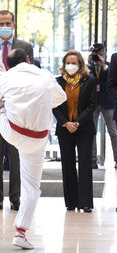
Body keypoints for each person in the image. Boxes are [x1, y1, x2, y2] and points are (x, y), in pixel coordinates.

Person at [0, 12, 67, 249]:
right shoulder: (45, 75)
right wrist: (41, 101)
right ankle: (21, 232)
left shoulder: (5, 77)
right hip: (39, 138)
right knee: (33, 188)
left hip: (11, 130)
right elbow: (60, 98)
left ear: (9, 65)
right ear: (29, 61)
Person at [0, 9, 34, 211]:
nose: (4, 27)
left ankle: (15, 198)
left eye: (7, 23)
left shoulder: (25, 47)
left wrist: (11, 96)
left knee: (16, 156)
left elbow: (29, 73)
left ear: (14, 25)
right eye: (0, 24)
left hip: (17, 110)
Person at [53, 50, 97, 213]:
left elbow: (92, 105)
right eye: (68, 62)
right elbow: (55, 105)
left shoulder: (89, 81)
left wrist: (77, 123)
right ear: (64, 65)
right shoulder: (57, 82)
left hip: (84, 127)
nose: (70, 65)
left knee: (85, 164)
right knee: (68, 164)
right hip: (65, 128)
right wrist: (66, 123)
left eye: (74, 62)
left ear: (80, 64)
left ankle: (85, 202)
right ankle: (71, 202)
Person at [88, 43, 117, 169]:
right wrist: (88, 63)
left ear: (103, 53)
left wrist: (103, 64)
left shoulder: (109, 65)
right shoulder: (88, 66)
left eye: (100, 54)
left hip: (107, 102)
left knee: (113, 132)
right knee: (91, 132)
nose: (98, 56)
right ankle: (93, 160)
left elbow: (111, 78)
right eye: (96, 54)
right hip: (93, 102)